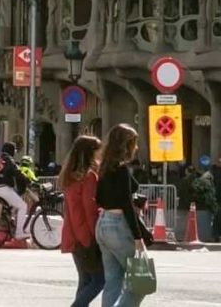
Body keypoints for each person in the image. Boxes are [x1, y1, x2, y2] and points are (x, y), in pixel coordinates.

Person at [96, 124, 151, 307]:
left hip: (103, 224)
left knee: (113, 282)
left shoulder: (104, 168)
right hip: (118, 225)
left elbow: (99, 198)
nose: (136, 148)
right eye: (134, 143)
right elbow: (127, 205)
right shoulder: (120, 170)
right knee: (140, 283)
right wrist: (138, 237)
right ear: (126, 145)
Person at [60, 135, 104, 307]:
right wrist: (95, 236)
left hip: (72, 234)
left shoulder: (70, 176)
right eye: (98, 150)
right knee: (99, 280)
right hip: (84, 235)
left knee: (85, 281)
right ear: (90, 153)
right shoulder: (89, 176)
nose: (101, 153)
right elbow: (89, 210)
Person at [0, 142, 30, 241]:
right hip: (4, 188)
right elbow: (17, 173)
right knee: (23, 206)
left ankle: (10, 224)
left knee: (13, 206)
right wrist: (27, 180)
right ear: (11, 151)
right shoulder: (9, 160)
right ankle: (19, 233)